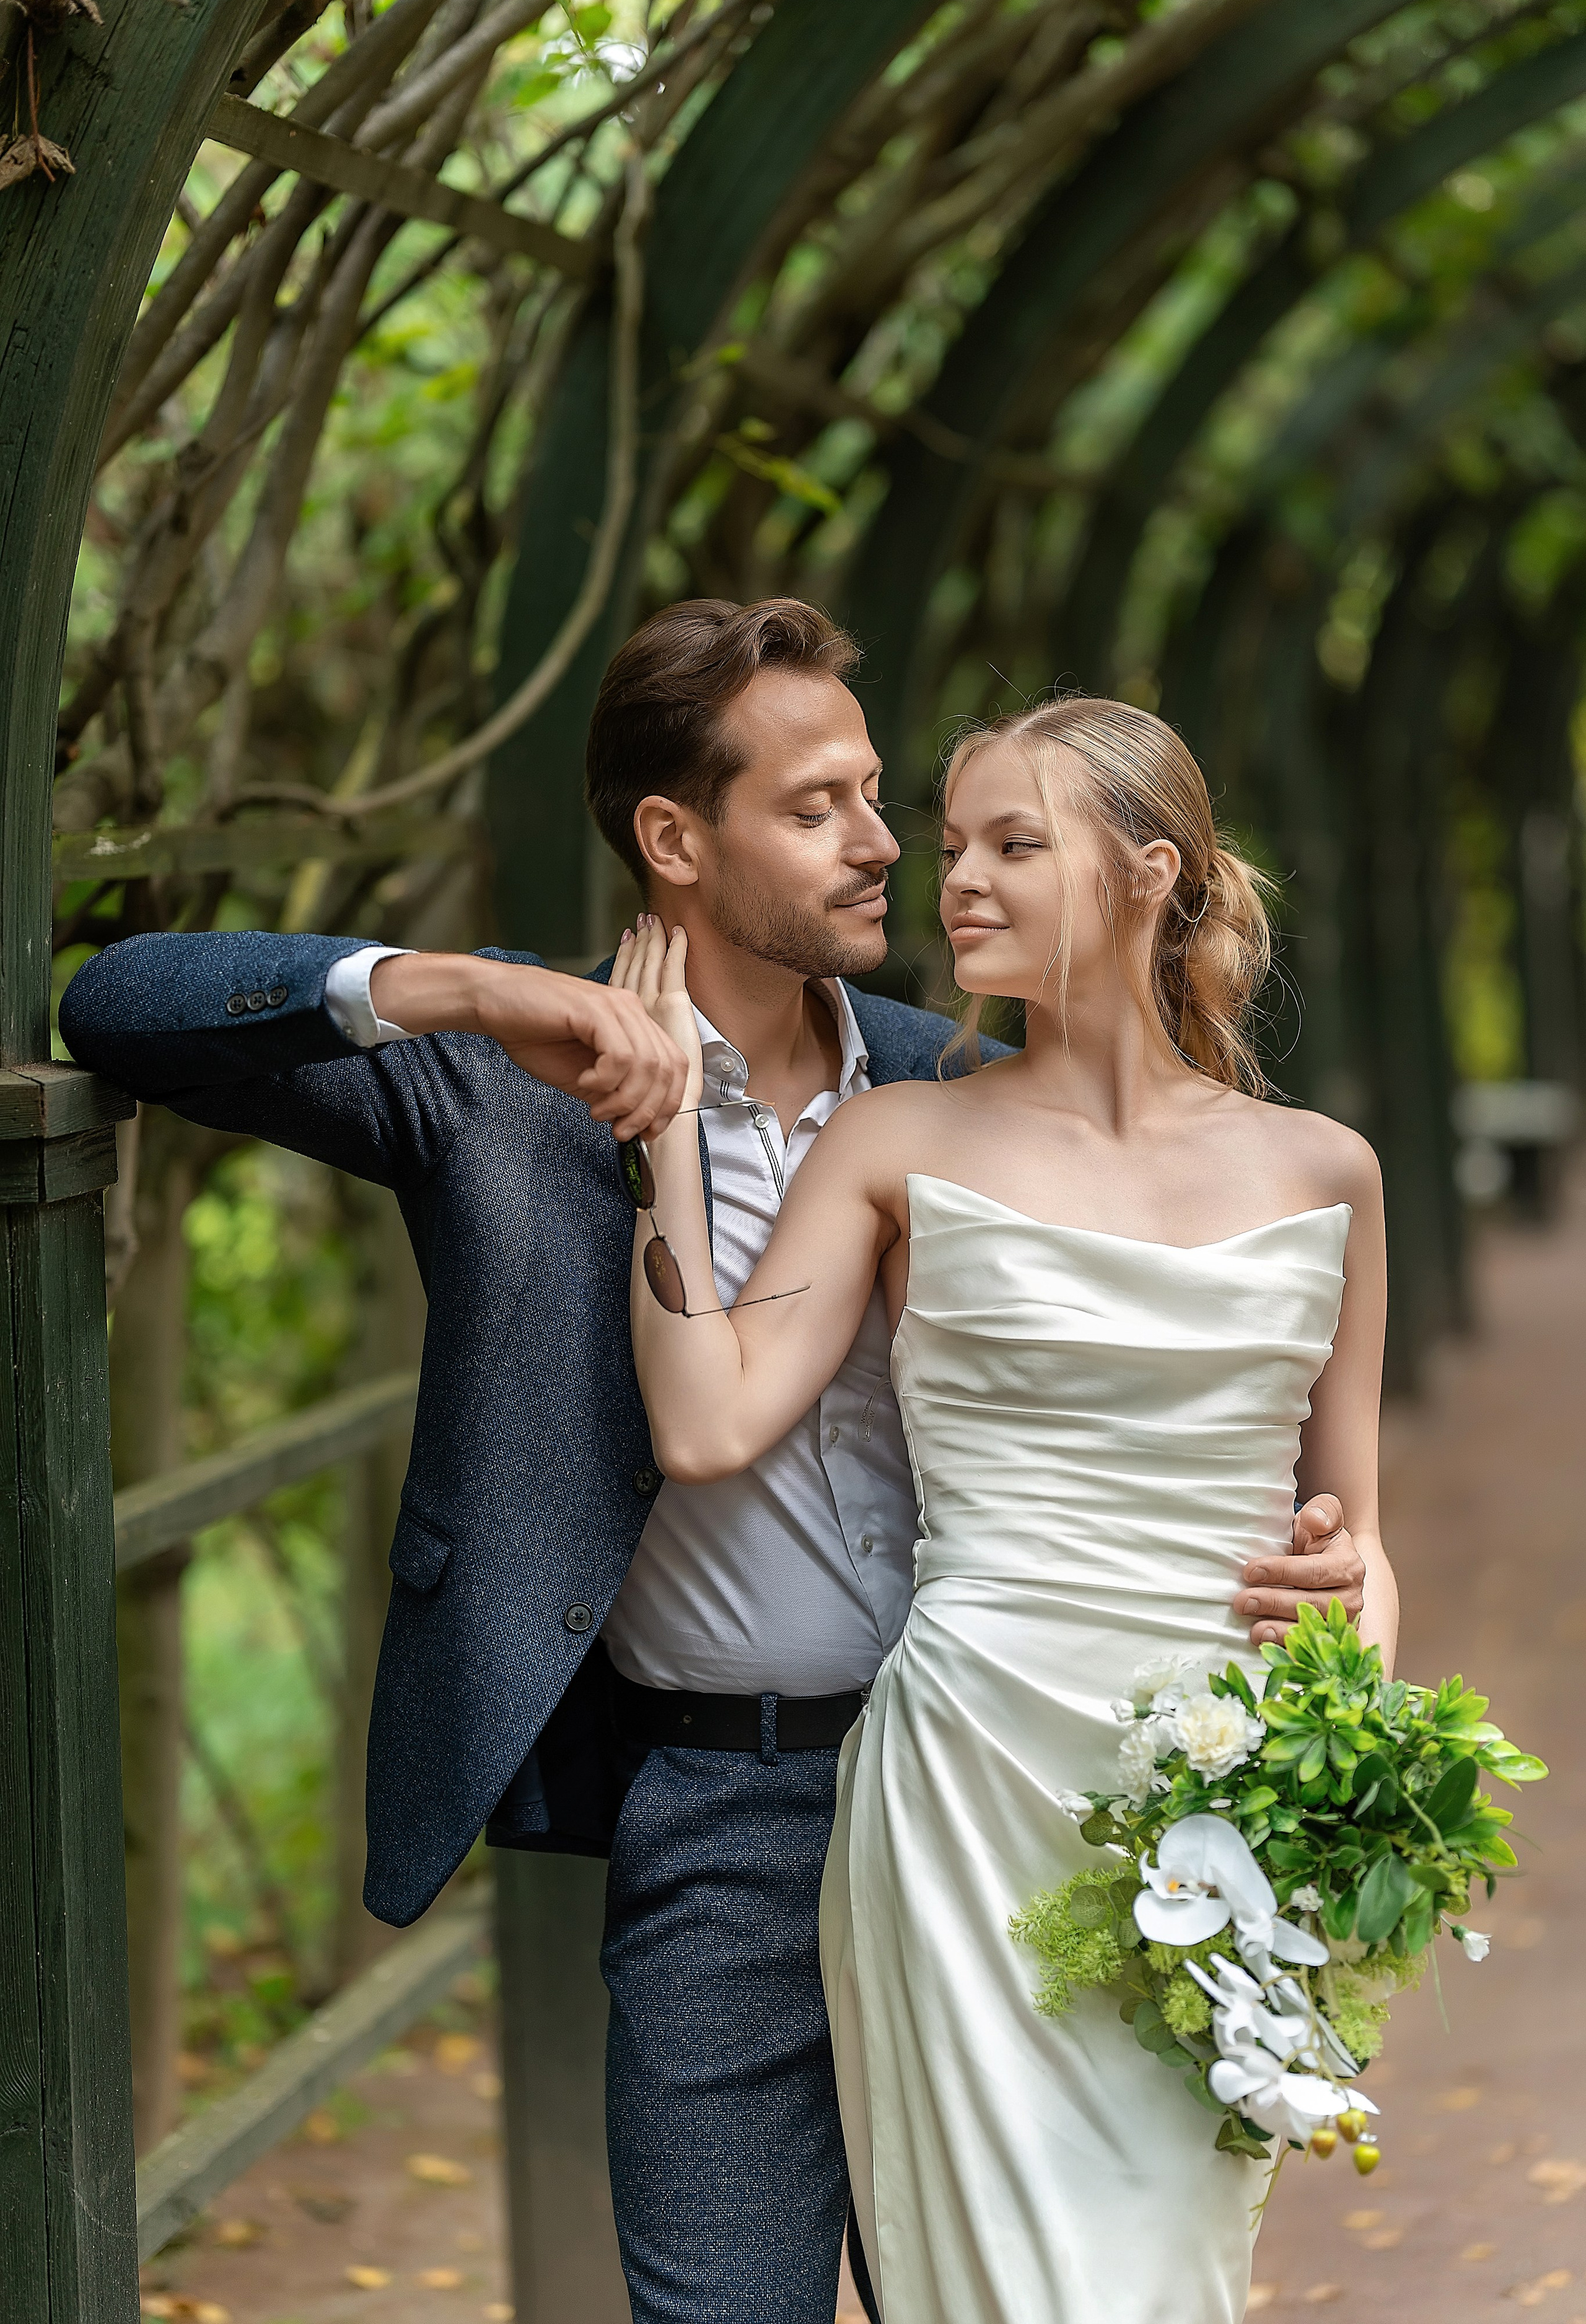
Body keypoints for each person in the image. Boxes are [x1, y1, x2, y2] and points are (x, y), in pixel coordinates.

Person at [59, 606, 1368, 2324]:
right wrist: (467, 986)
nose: (885, 844)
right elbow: (118, 1008)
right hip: (720, 1814)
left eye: (881, 796)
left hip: (1017, 1788)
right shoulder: (499, 1079)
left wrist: (1316, 1550)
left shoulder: (959, 1080)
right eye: (819, 807)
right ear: (676, 841)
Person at [615, 692, 1396, 2324]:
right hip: (968, 1790)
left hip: (1221, 1808)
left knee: (1161, 2276)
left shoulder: (1326, 1171)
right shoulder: (897, 1140)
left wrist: (1344, 1686)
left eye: (1013, 845)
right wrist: (668, 1135)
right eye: (955, 842)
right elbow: (707, 1419)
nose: (954, 877)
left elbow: (1358, 1547)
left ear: (1148, 875)